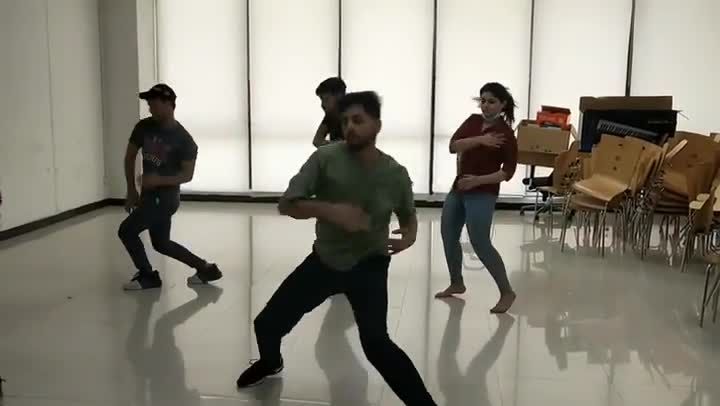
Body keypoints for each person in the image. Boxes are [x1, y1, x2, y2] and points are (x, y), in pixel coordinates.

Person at [236, 91, 437, 405]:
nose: (350, 127)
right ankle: (270, 362)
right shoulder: (325, 158)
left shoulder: (395, 174)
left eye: (358, 120)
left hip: (369, 265)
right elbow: (287, 204)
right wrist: (331, 210)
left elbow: (408, 216)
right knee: (266, 324)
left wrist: (408, 237)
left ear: (377, 125)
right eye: (344, 122)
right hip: (325, 261)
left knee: (376, 344)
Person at [118, 83, 222, 291]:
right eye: (149, 105)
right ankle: (206, 269)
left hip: (165, 200)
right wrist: (131, 190)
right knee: (161, 243)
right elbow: (130, 157)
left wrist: (157, 180)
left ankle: (148, 276)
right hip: (147, 196)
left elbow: (187, 175)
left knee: (127, 231)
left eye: (154, 104)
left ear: (169, 104)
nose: (150, 109)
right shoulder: (144, 127)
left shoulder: (185, 140)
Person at [435, 82, 518, 314]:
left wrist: (477, 181)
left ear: (502, 104)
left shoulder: (506, 135)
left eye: (492, 101)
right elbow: (453, 146)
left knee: (480, 242)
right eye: (483, 101)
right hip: (459, 189)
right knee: (448, 234)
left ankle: (507, 292)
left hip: (483, 193)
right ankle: (456, 282)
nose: (486, 105)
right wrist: (480, 140)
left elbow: (507, 173)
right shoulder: (472, 121)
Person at [312, 77, 347, 148]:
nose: (322, 104)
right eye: (321, 100)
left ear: (339, 96)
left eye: (326, 99)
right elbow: (316, 141)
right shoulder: (330, 115)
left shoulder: (352, 114)